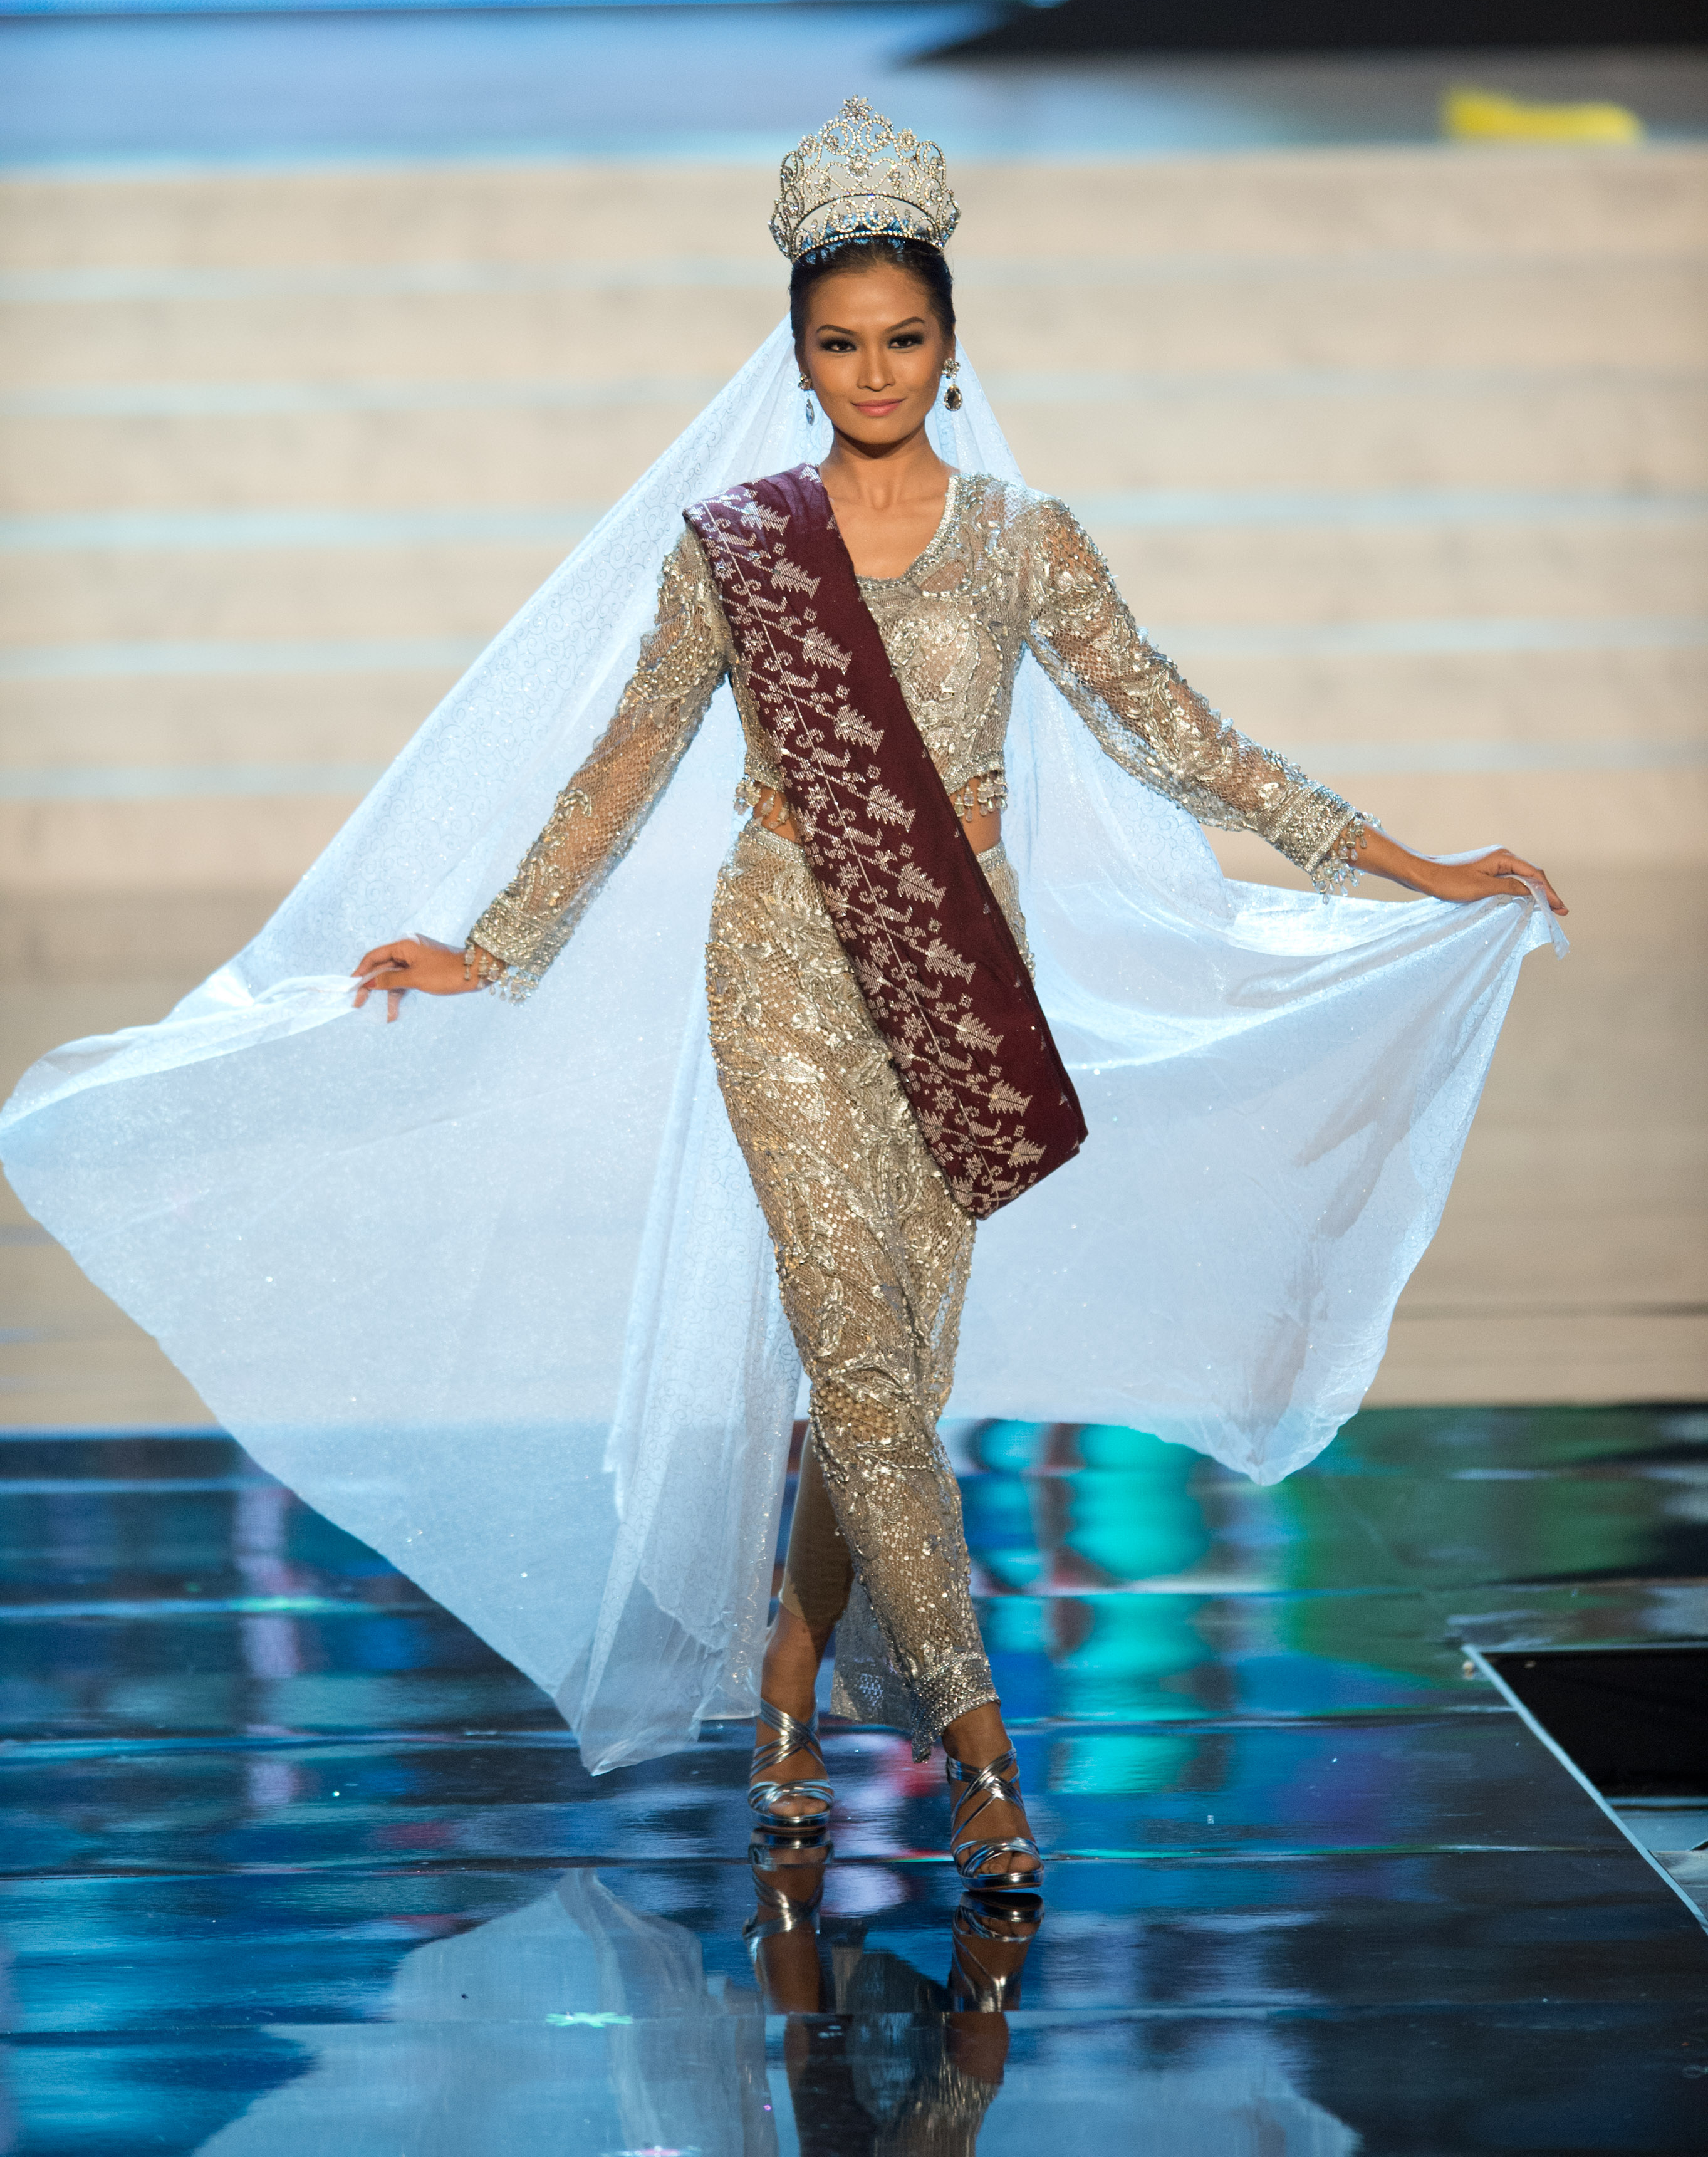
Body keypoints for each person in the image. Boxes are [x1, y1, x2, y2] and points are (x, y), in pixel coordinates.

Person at [343, 98, 1565, 1893]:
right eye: (839, 345)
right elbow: (623, 767)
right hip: (780, 965)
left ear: (951, 344)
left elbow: (1180, 736)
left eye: (903, 338)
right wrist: (495, 943)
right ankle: (986, 1756)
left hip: (959, 975)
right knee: (855, 1357)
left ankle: (786, 1683)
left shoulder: (1019, 541)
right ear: (798, 357)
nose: (873, 370)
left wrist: (1408, 863)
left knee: (890, 1386)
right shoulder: (739, 549)